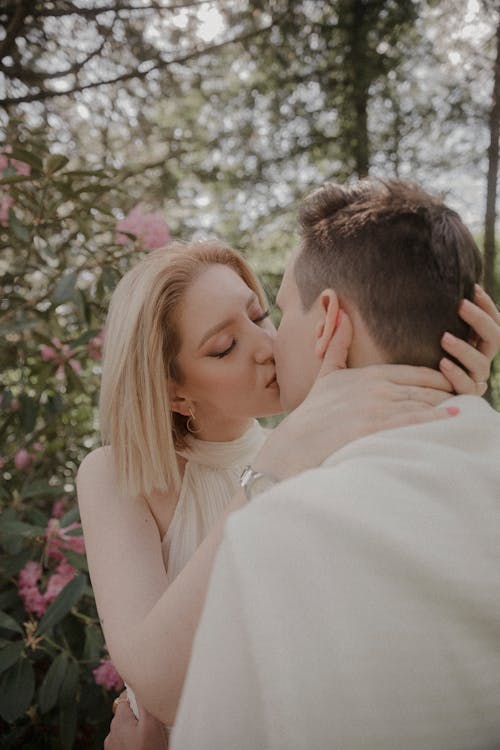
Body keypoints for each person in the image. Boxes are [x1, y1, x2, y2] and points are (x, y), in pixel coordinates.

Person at [77, 232, 498, 744]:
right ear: (174, 391)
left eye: (259, 315)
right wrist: (276, 460)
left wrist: (451, 387)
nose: (266, 346)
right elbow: (162, 688)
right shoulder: (117, 474)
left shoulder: (313, 445)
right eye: (225, 346)